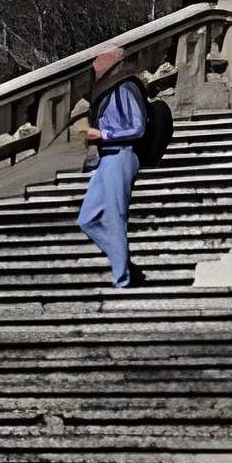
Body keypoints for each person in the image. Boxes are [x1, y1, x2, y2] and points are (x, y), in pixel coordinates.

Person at [76, 43, 149, 290]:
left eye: (101, 59)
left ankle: (122, 279)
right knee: (87, 219)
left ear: (114, 62)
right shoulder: (108, 89)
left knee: (115, 217)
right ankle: (125, 263)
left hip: (121, 155)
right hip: (106, 157)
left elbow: (137, 127)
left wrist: (102, 133)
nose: (96, 64)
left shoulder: (125, 86)